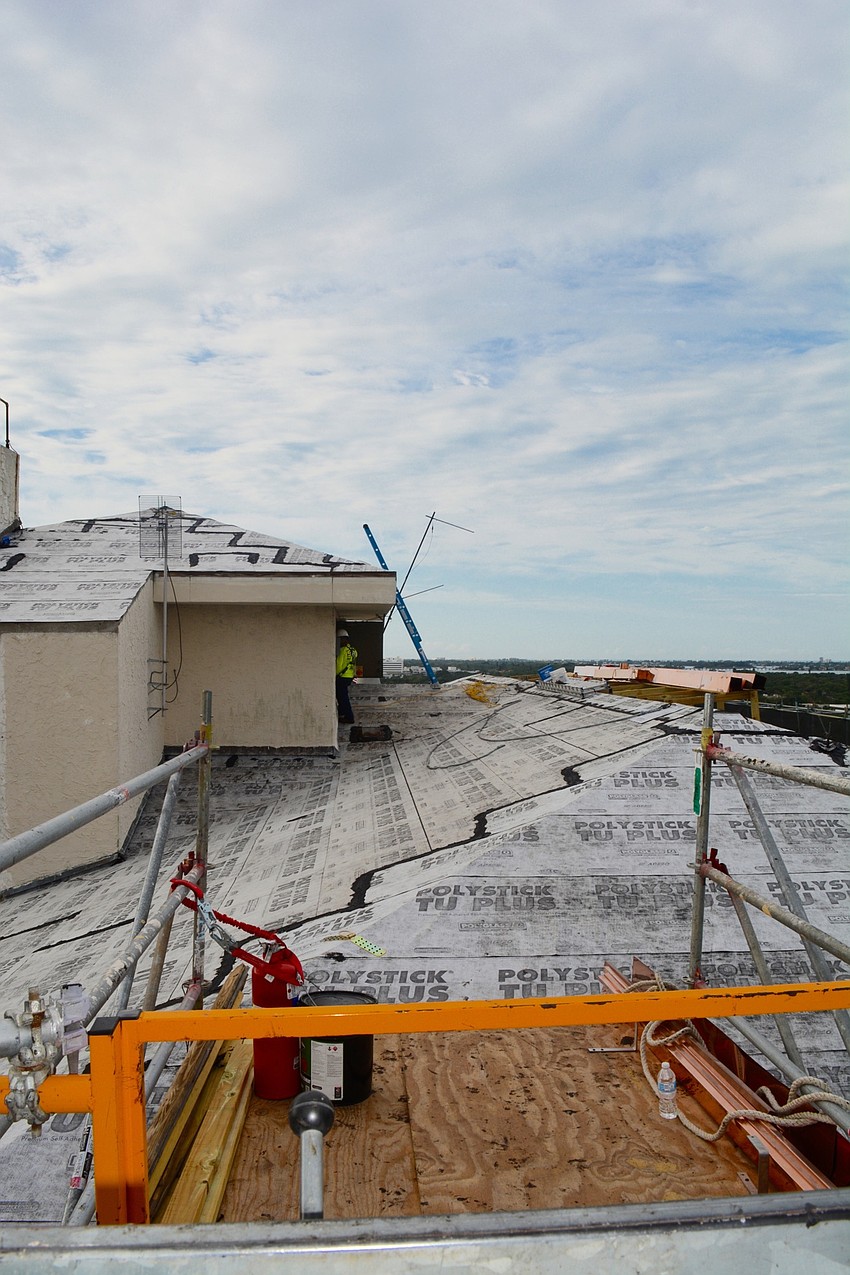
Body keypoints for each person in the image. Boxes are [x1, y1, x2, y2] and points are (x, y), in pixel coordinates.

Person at [335, 629, 357, 724]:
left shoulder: (342, 650)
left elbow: (338, 665)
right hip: (350, 676)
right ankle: (342, 713)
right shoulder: (353, 651)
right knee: (342, 696)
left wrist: (334, 675)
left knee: (342, 697)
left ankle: (349, 717)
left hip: (342, 676)